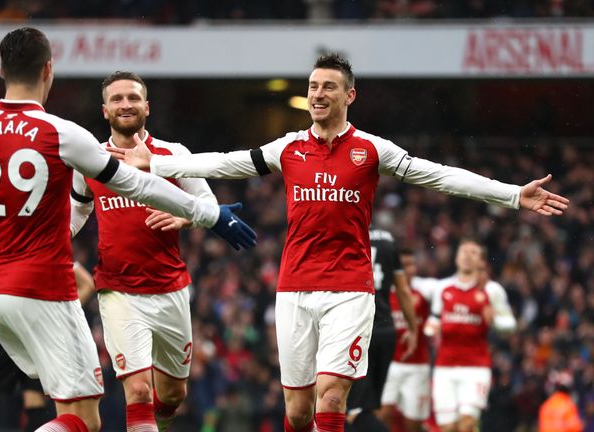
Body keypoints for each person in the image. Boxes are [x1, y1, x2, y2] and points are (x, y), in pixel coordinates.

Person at [108, 53, 569, 432]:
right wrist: (160, 165)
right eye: (312, 87)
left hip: (350, 289)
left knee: (332, 395)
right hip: (294, 288)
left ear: (349, 95)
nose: (317, 94)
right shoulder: (287, 148)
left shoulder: (371, 150)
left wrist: (512, 194)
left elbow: (440, 176)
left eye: (327, 87)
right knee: (297, 412)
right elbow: (227, 163)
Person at [0, 27, 256, 432]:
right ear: (49, 69)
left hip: (0, 292)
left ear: (0, 68)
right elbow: (135, 183)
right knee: (84, 417)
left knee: (75, 410)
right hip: (47, 288)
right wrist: (212, 215)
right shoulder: (62, 133)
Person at [70, 71, 215, 432]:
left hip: (170, 290)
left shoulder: (173, 155)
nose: (125, 105)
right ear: (105, 110)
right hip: (118, 289)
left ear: (147, 106)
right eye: (117, 99)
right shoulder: (91, 161)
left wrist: (184, 218)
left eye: (133, 98)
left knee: (172, 395)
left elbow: (207, 203)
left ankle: (161, 421)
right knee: (137, 390)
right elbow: (76, 210)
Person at [0, 239, 95, 432]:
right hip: (39, 327)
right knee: (34, 399)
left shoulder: (4, 237)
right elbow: (87, 283)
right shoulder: (47, 236)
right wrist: (67, 313)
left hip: (9, 325)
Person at [424, 238, 517, 432]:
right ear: (456, 257)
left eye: (473, 252)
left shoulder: (492, 290)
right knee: (448, 427)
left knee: (467, 424)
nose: (466, 255)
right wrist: (430, 330)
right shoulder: (443, 288)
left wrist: (494, 321)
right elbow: (434, 319)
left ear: (482, 261)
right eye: (463, 251)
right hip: (444, 367)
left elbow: (509, 325)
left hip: (475, 367)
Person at [345, 228, 418, 432]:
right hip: (385, 332)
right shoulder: (388, 242)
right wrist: (413, 329)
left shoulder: (348, 236)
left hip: (356, 331)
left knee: (350, 408)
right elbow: (403, 290)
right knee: (368, 408)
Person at [378, 248, 439, 432]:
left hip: (417, 366)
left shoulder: (426, 292)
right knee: (383, 415)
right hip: (388, 365)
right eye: (402, 266)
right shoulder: (383, 295)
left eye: (410, 265)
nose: (407, 270)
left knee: (413, 424)